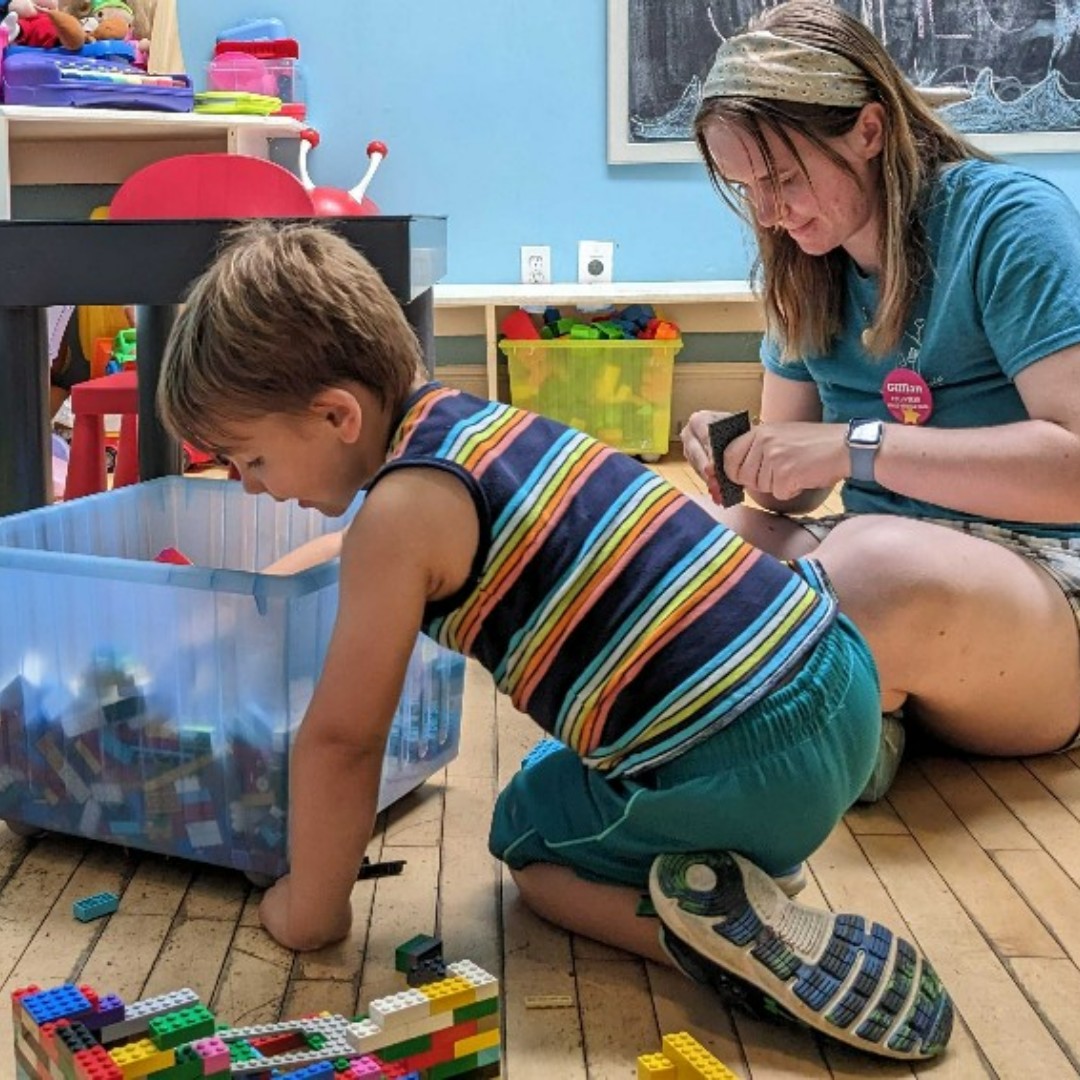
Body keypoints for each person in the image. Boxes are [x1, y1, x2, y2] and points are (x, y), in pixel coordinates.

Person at [157, 220, 953, 1062]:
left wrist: (308, 908)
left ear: (336, 415)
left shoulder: (398, 517)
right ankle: (737, 869)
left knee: (530, 841)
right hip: (842, 678)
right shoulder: (477, 428)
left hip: (746, 766)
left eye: (250, 461)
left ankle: (701, 940)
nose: (249, 488)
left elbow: (344, 740)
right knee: (560, 770)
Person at [680, 0, 1080, 802]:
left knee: (870, 564)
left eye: (784, 178)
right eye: (744, 187)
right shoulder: (803, 265)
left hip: (1044, 590)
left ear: (868, 130)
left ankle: (830, 714)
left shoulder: (1007, 221)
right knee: (690, 540)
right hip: (868, 561)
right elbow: (782, 497)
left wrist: (856, 443)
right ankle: (863, 710)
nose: (768, 212)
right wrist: (748, 453)